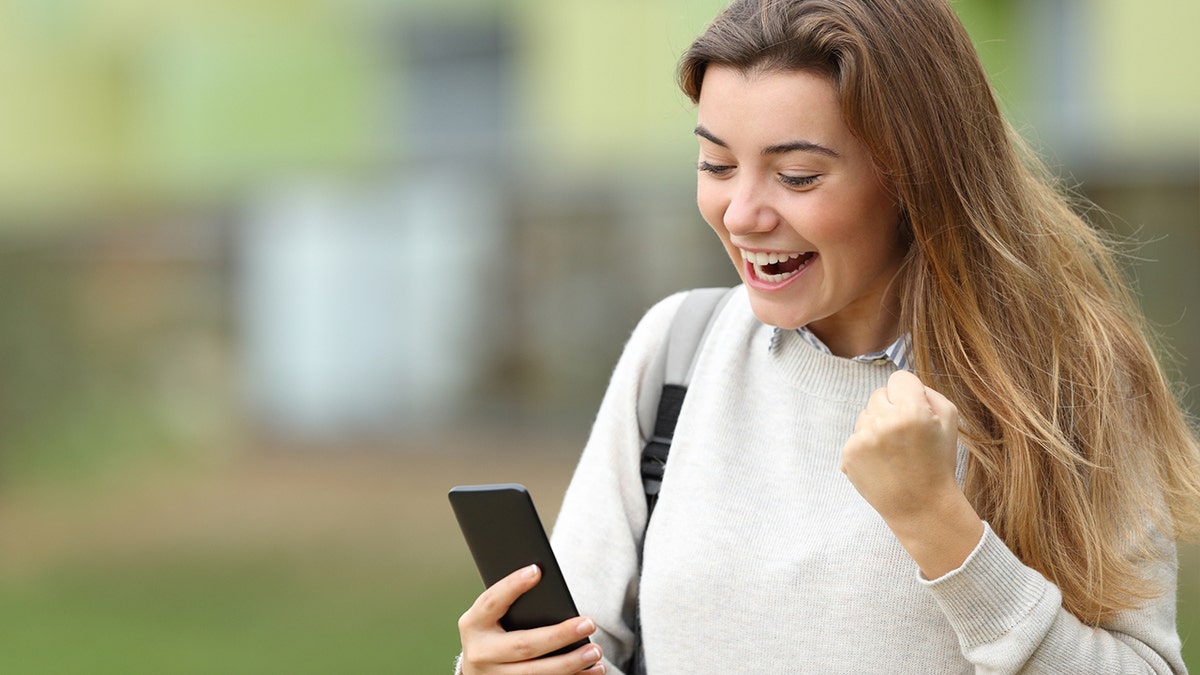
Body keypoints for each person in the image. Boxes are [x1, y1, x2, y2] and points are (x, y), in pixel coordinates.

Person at [455, 0, 1200, 672]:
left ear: (915, 177)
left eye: (798, 176)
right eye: (716, 164)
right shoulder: (675, 352)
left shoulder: (1067, 379)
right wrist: (498, 665)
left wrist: (942, 528)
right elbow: (571, 653)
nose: (741, 213)